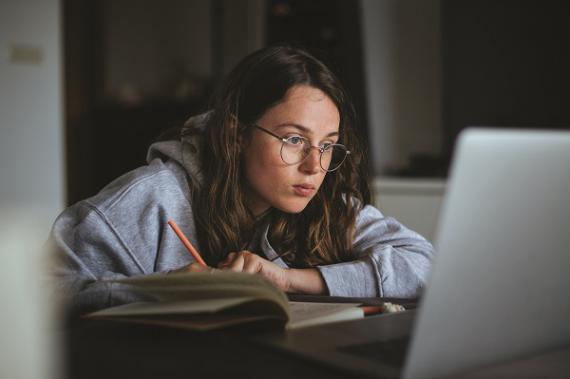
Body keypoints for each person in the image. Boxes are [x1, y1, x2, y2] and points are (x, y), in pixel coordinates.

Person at [50, 45, 435, 315]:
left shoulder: (325, 200)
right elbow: (43, 292)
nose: (314, 165)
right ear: (237, 135)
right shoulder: (154, 198)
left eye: (328, 145)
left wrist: (291, 280)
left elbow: (425, 266)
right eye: (294, 139)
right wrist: (161, 290)